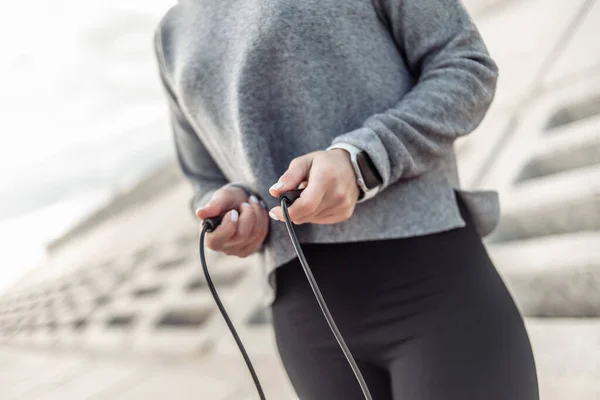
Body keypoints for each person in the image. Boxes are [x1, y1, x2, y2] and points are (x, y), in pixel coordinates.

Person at [153, 0, 539, 398]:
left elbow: (466, 66)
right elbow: (203, 178)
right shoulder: (170, 34)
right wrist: (233, 210)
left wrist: (363, 162)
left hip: (430, 285)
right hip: (305, 325)